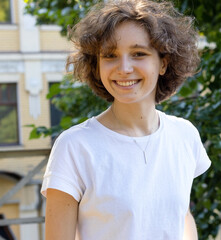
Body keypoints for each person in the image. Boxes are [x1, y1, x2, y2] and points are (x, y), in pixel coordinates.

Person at [41, 0, 211, 239]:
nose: (124, 67)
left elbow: (181, 216)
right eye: (110, 55)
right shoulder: (74, 147)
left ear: (163, 62)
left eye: (138, 53)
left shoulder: (184, 135)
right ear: (96, 64)